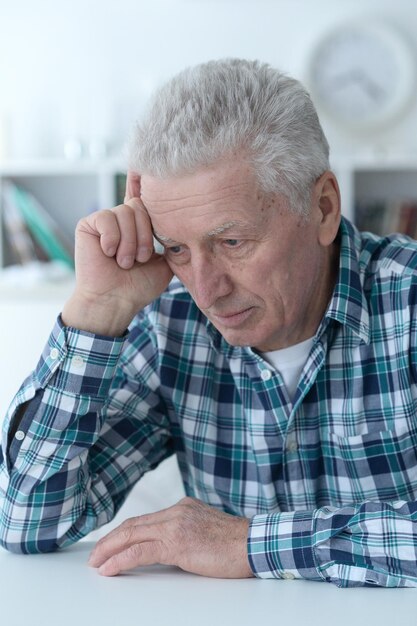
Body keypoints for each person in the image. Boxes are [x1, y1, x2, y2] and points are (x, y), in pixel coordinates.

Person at [1, 58, 417, 588]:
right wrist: (97, 311)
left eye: (232, 242)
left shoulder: (407, 302)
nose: (205, 289)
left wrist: (247, 543)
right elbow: (27, 522)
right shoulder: (169, 323)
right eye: (175, 248)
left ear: (324, 207)